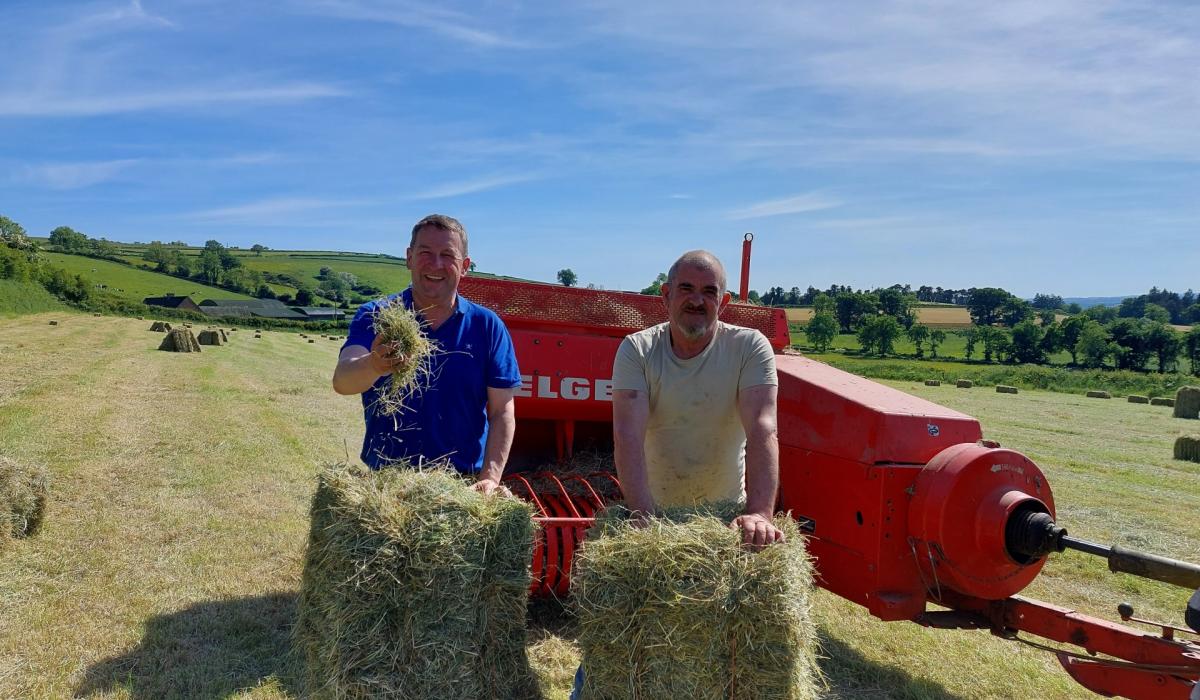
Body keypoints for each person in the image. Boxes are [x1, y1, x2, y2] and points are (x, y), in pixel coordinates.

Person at [569, 249, 783, 700]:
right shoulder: (638, 349)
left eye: (709, 292)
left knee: (715, 654)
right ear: (665, 296)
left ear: (722, 303)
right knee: (615, 645)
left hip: (722, 518)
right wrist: (643, 511)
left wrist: (760, 512)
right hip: (655, 510)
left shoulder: (748, 347)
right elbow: (628, 435)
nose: (697, 301)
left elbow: (762, 426)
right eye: (686, 289)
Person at [332, 214, 520, 494]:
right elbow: (343, 380)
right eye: (425, 253)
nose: (436, 264)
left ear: (465, 266)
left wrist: (491, 478)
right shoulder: (377, 316)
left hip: (461, 488)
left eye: (448, 255)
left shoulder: (487, 326)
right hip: (387, 487)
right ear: (409, 257)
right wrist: (374, 364)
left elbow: (502, 409)